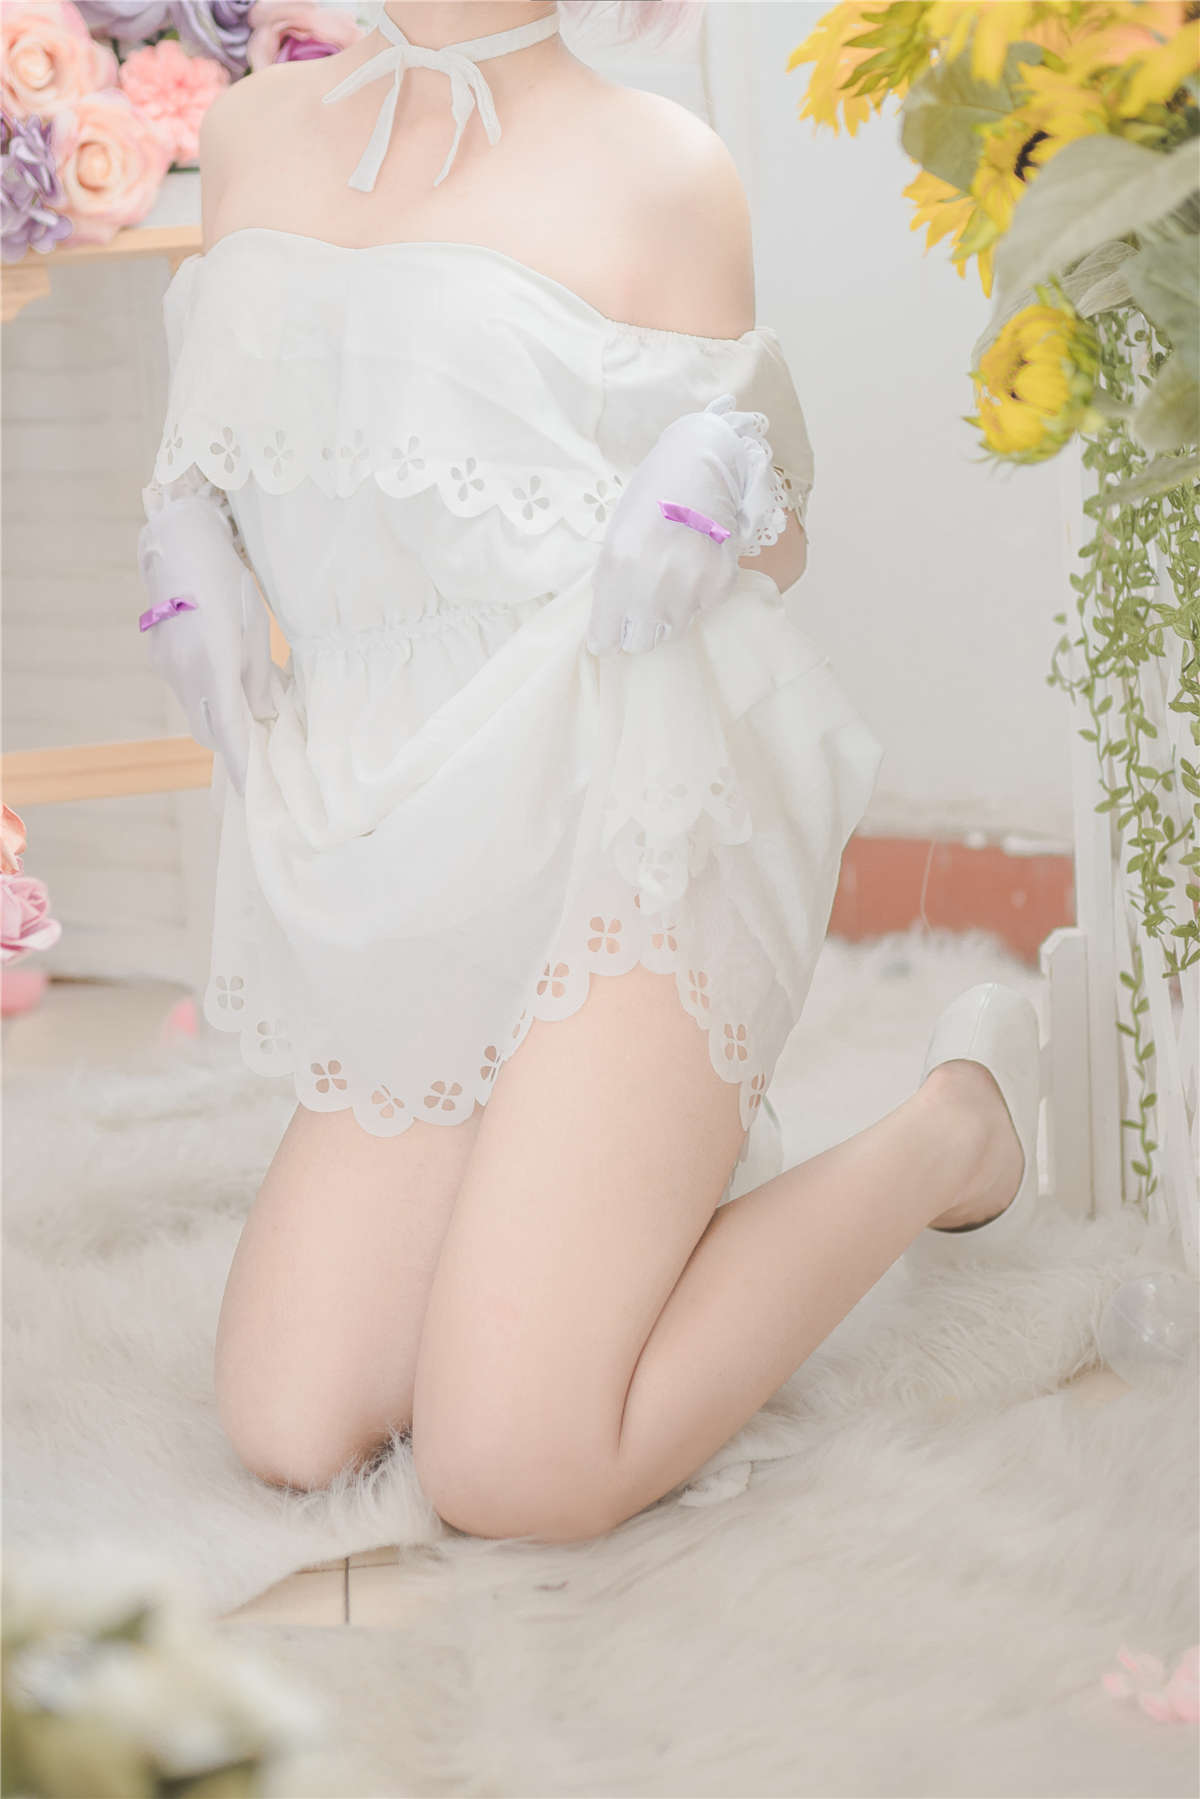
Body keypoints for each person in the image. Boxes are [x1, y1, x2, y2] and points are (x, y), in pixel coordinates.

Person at [137, 0, 1046, 1545]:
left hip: (638, 807)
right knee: (291, 1420)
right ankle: (579, 1183)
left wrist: (718, 475)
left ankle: (956, 1126)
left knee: (518, 1467)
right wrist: (184, 534)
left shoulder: (660, 169)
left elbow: (775, 526)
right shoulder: (249, 138)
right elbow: (218, 442)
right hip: (403, 832)